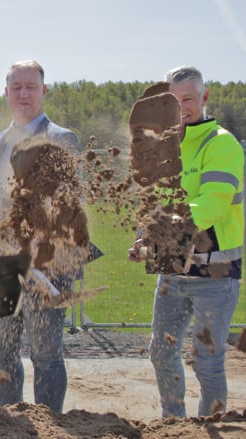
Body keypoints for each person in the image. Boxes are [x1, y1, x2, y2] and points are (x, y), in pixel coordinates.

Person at [0, 60, 82, 413]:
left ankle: (48, 423)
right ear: (6, 93)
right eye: (17, 87)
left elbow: (71, 201)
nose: (23, 93)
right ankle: (10, 420)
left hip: (46, 267)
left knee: (45, 353)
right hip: (1, 265)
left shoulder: (61, 138)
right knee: (0, 351)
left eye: (30, 86)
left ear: (43, 91)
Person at [128, 66, 243, 417]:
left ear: (205, 98)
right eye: (172, 102)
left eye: (188, 100)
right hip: (172, 269)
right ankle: (173, 422)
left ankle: (213, 423)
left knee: (207, 360)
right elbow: (154, 204)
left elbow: (212, 202)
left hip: (216, 273)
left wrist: (165, 223)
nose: (180, 109)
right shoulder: (162, 147)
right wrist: (143, 238)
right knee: (161, 352)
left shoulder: (221, 143)